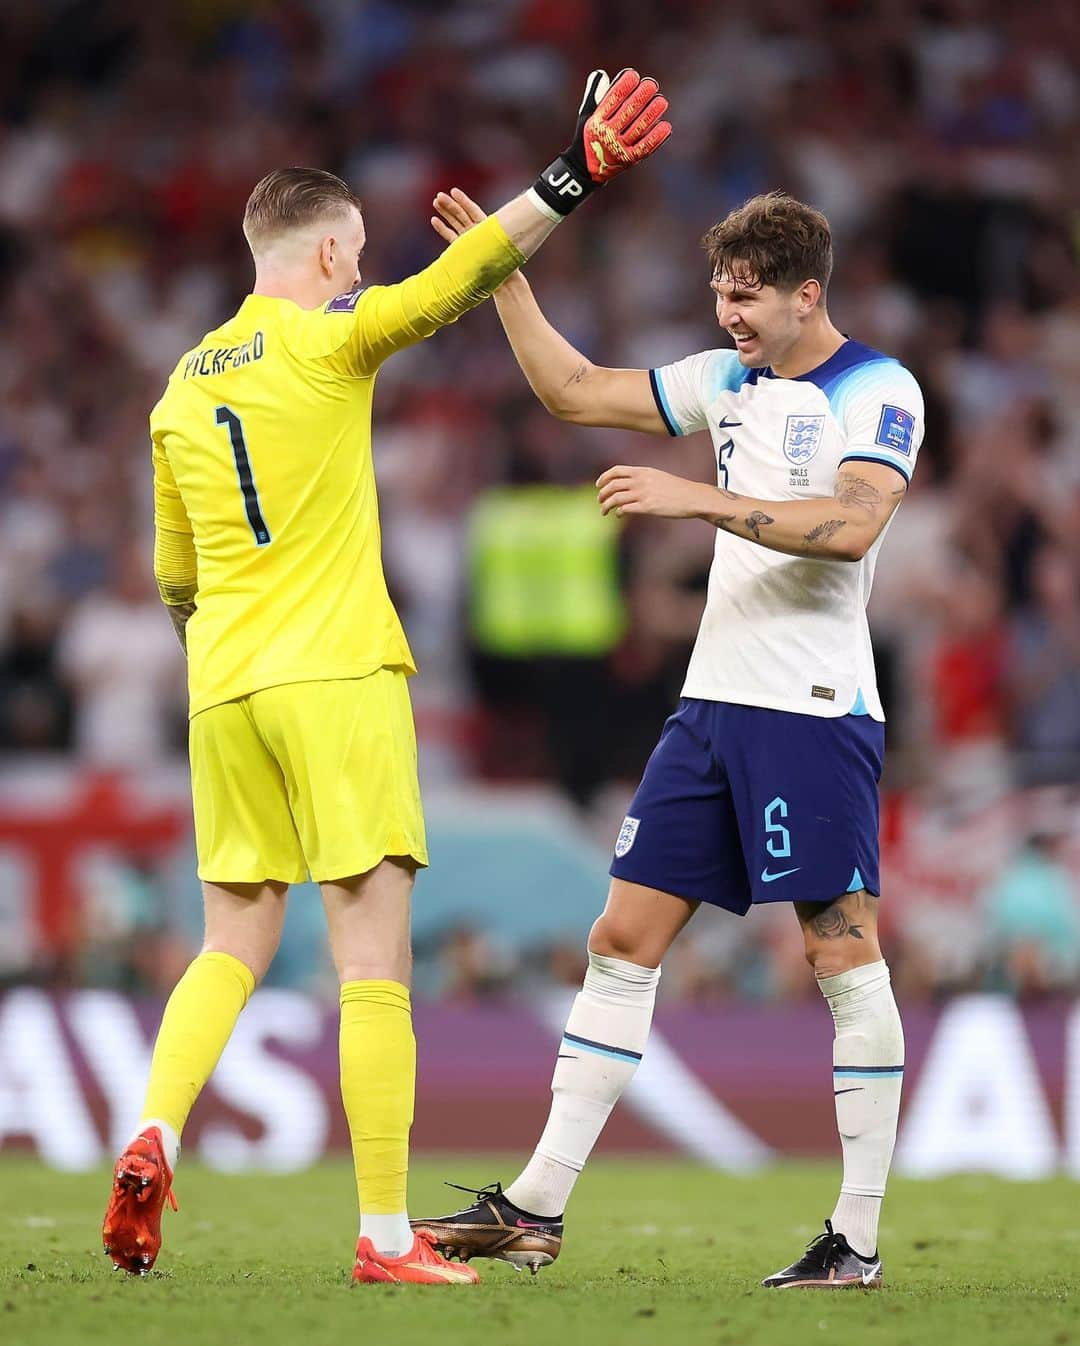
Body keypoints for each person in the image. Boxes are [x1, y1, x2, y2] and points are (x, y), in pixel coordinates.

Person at [100, 68, 671, 1287]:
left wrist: (235, 637)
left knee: (231, 940)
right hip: (339, 672)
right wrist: (571, 178)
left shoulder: (176, 391)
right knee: (373, 961)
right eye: (352, 253)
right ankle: (379, 1231)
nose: (359, 273)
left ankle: (152, 1127)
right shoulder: (328, 340)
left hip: (223, 688)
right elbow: (444, 292)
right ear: (315, 250)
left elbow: (171, 578)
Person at [414, 189, 923, 1290]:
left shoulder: (878, 388)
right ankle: (537, 1205)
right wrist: (504, 276)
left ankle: (859, 1236)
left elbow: (851, 525)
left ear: (807, 293)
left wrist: (697, 500)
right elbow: (573, 388)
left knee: (840, 952)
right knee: (621, 936)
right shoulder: (728, 378)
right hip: (711, 711)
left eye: (746, 297)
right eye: (718, 294)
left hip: (813, 708)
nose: (728, 316)